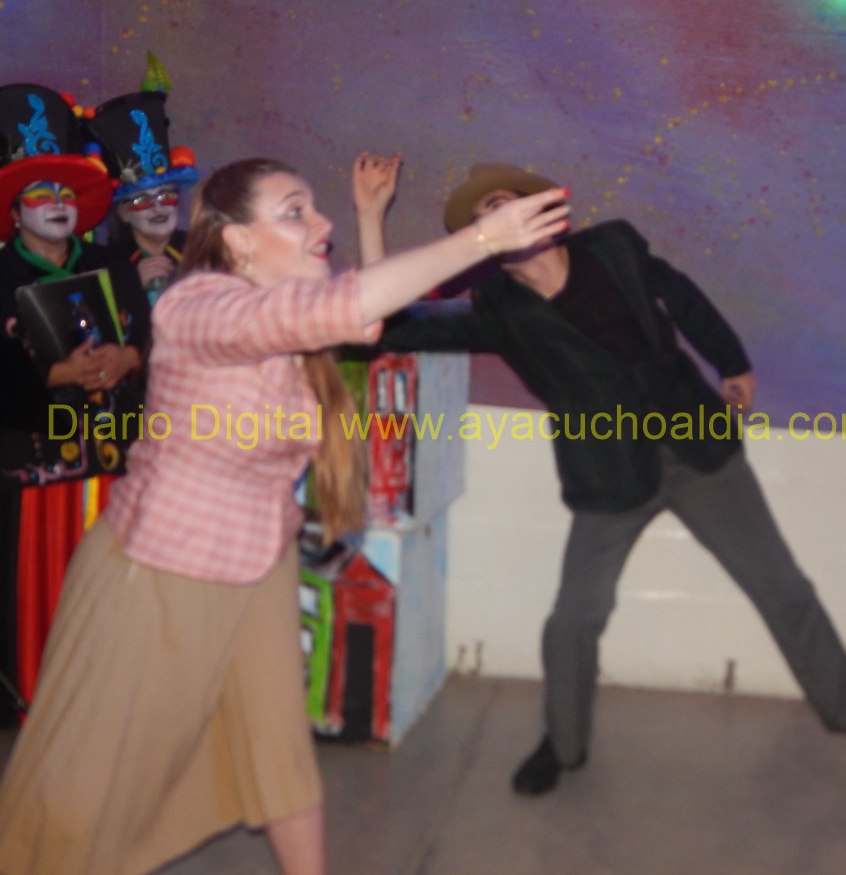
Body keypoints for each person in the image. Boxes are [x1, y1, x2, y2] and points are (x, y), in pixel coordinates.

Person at [0, 156, 568, 874]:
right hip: (163, 571)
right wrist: (484, 239)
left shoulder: (285, 309)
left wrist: (369, 215)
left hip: (258, 561)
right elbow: (344, 307)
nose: (319, 221)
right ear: (237, 239)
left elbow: (367, 313)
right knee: (86, 784)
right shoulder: (196, 307)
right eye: (295, 211)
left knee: (279, 750)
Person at [362, 161, 846, 797]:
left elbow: (681, 296)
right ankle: (563, 744)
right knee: (574, 619)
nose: (502, 216)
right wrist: (372, 218)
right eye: (486, 215)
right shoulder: (498, 311)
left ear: (540, 212)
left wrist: (731, 360)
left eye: (508, 202)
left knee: (783, 589)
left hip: (700, 452)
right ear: (481, 241)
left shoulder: (613, 247)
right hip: (609, 480)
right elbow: (385, 327)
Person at [0, 82, 150, 712]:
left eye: (66, 193)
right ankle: (33, 696)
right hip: (30, 465)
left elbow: (151, 338)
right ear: (15, 211)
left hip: (113, 455)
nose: (58, 205)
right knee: (31, 583)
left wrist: (128, 357)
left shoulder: (113, 262)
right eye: (42, 194)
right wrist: (54, 375)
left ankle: (115, 691)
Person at [87, 88, 200, 307]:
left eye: (165, 196)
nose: (158, 208)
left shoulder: (198, 250)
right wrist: (131, 285)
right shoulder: (104, 263)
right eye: (142, 201)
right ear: (124, 213)